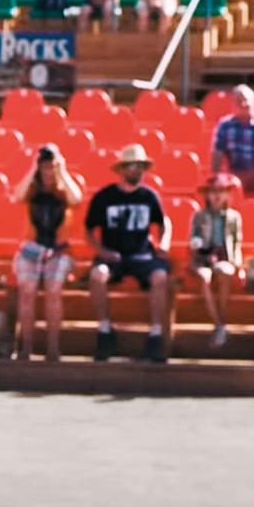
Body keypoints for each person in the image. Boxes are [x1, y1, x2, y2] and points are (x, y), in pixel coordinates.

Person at [85, 144, 172, 363]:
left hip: (142, 255)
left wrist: (163, 244)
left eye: (140, 166)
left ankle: (155, 335)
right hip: (113, 255)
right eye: (131, 166)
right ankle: (105, 331)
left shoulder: (149, 196)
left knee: (160, 276)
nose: (136, 171)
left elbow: (164, 223)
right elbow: (88, 229)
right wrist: (101, 251)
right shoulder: (104, 196)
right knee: (97, 275)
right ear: (122, 169)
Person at [10, 144, 83, 362]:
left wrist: (62, 171)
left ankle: (53, 347)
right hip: (32, 247)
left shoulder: (64, 188)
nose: (48, 172)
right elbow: (18, 195)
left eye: (51, 167)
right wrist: (33, 168)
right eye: (45, 167)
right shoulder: (32, 189)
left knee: (53, 290)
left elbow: (76, 199)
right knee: (27, 291)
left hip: (58, 250)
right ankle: (26, 346)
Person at [189, 173, 243, 349]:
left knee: (224, 272)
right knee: (204, 276)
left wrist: (238, 263)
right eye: (213, 191)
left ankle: (220, 324)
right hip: (203, 258)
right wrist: (197, 246)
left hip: (224, 257)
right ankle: (219, 323)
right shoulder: (199, 216)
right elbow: (193, 240)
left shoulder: (234, 217)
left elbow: (237, 242)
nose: (217, 196)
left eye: (221, 191)